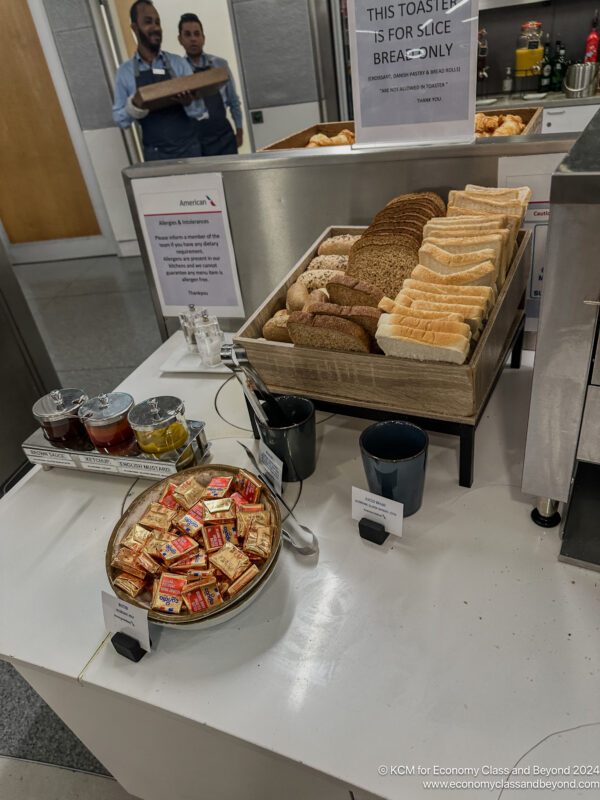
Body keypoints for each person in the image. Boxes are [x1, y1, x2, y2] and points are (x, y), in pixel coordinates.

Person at [112, 0, 207, 161]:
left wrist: (189, 103)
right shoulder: (125, 72)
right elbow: (120, 120)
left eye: (158, 22)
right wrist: (134, 105)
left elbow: (200, 112)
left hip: (190, 150)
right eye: (148, 22)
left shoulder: (179, 63)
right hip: (155, 155)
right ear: (134, 28)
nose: (155, 27)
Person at [178, 13, 243, 156]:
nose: (193, 39)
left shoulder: (220, 65)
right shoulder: (178, 72)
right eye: (187, 35)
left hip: (225, 138)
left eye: (197, 34)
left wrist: (239, 130)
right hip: (197, 142)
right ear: (180, 39)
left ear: (203, 38)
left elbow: (233, 101)